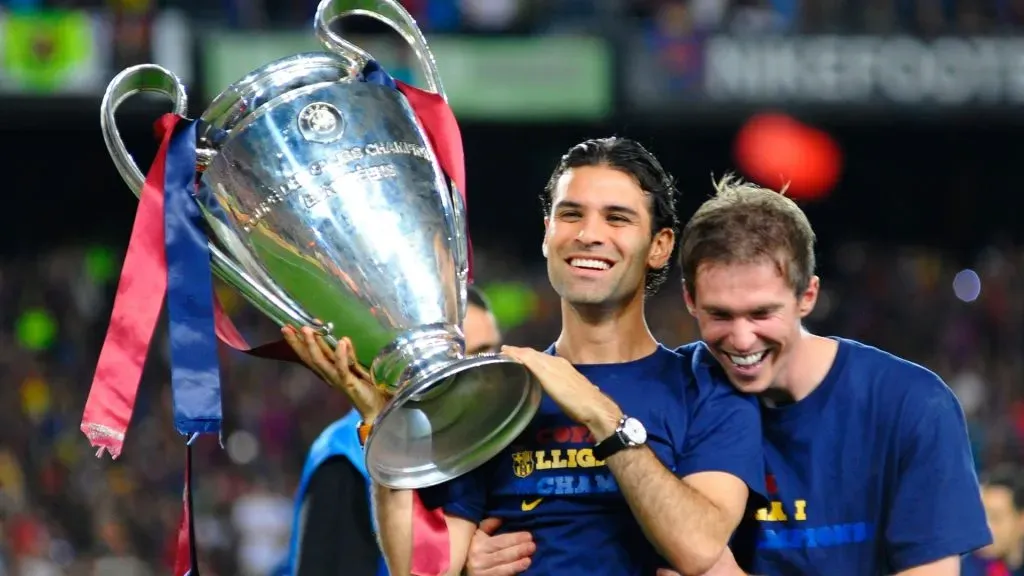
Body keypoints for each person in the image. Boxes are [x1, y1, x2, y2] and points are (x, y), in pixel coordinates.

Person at [283, 137, 766, 576]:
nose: (588, 234)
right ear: (547, 233)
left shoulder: (706, 384)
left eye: (617, 218)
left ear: (659, 246)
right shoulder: (497, 390)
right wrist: (381, 422)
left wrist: (600, 413)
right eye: (571, 214)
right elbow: (422, 568)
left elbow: (698, 546)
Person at [468, 174, 992, 576]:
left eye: (762, 313)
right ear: (691, 301)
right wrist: (473, 553)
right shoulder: (679, 390)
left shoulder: (910, 407)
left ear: (807, 295)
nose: (741, 341)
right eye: (720, 315)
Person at [275, 286, 503, 576]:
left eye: (490, 352)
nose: (484, 373)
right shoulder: (346, 456)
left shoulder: (496, 442)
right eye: (464, 357)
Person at [962, 464, 1024, 576]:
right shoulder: (959, 569)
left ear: (1021, 520)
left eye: (996, 518)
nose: (985, 528)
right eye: (982, 517)